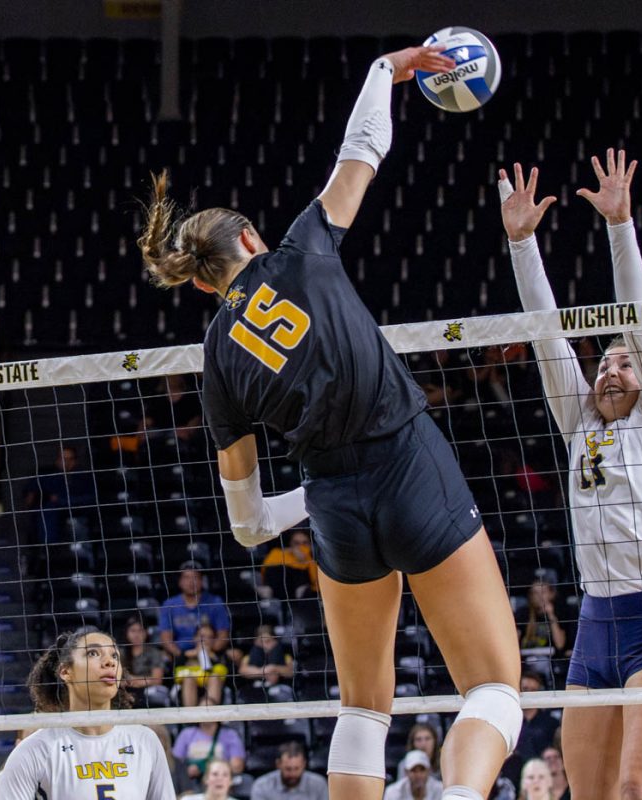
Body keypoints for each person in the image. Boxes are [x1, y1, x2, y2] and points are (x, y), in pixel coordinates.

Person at [140, 44, 522, 800]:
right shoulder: (300, 253)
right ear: (249, 240)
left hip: (334, 505)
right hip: (408, 462)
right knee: (494, 685)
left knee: (363, 706)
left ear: (204, 280)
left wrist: (307, 502)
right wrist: (388, 69)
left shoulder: (215, 359)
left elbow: (248, 525)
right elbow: (363, 151)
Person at [499, 151, 642, 800]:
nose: (612, 371)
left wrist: (620, 226)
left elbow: (638, 323)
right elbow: (547, 335)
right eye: (606, 364)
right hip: (595, 623)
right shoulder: (582, 422)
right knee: (588, 794)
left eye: (626, 364)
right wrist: (522, 244)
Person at [0, 628, 175, 798]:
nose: (109, 661)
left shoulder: (145, 740)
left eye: (115, 655)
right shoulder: (36, 749)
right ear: (65, 671)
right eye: (93, 653)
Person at [157, 562, 232, 668]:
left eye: (195, 578)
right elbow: (165, 638)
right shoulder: (169, 604)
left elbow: (223, 635)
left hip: (209, 651)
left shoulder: (215, 602)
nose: (191, 582)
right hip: (180, 653)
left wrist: (210, 652)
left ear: (202, 581)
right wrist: (182, 656)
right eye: (186, 578)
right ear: (180, 581)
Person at [20, 444, 96, 544]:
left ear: (75, 461)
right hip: (49, 513)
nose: (65, 462)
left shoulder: (84, 476)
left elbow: (90, 498)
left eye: (69, 459)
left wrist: (61, 500)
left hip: (78, 511)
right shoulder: (45, 476)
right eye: (62, 458)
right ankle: (47, 549)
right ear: (57, 459)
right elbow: (29, 498)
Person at [172, 696, 245, 790]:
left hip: (219, 782)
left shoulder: (230, 735)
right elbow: (175, 764)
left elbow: (237, 767)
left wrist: (213, 772)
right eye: (202, 709)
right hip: (191, 783)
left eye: (209, 709)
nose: (206, 712)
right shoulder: (186, 734)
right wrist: (187, 771)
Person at [174, 622, 230, 706]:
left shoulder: (219, 656)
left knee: (215, 677)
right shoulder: (185, 654)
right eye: (202, 636)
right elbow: (173, 675)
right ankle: (190, 716)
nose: (205, 640)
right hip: (186, 693)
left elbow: (230, 677)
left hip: (213, 694)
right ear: (194, 638)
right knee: (188, 679)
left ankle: (207, 713)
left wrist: (211, 656)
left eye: (210, 637)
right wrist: (192, 654)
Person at [250, 741, 328, 800]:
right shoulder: (261, 786)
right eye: (288, 769)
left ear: (304, 764)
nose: (292, 773)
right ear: (278, 764)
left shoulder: (319, 784)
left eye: (296, 768)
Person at [258, 529, 319, 598]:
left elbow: (315, 581)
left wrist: (305, 559)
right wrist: (291, 552)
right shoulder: (277, 553)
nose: (301, 546)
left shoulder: (313, 560)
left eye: (305, 543)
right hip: (277, 587)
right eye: (296, 543)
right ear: (290, 543)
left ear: (310, 545)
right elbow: (266, 569)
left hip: (297, 589)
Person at [123, 615, 169, 708]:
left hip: (148, 691)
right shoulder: (120, 653)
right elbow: (118, 681)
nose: (136, 634)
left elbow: (157, 680)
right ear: (126, 633)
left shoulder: (154, 652)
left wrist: (131, 679)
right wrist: (145, 680)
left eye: (140, 630)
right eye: (133, 631)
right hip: (125, 691)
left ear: (146, 633)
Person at [517, 578, 567, 653]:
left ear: (552, 594)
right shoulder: (522, 613)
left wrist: (551, 615)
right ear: (531, 596)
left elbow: (560, 645)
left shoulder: (560, 612)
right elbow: (514, 642)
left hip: (552, 659)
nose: (539, 596)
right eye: (535, 593)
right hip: (526, 658)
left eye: (543, 592)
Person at [240, 623, 296, 691]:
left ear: (275, 640)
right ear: (255, 642)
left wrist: (274, 668)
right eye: (261, 642)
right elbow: (242, 670)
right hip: (256, 689)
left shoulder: (285, 655)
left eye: (268, 641)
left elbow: (291, 672)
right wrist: (264, 671)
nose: (265, 645)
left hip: (280, 688)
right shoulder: (250, 656)